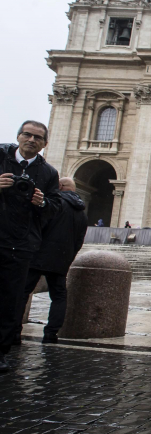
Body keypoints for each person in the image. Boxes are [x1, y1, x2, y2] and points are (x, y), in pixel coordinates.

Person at [0, 121, 61, 372]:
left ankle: (1, 351)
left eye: (38, 137)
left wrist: (43, 202)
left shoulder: (48, 173)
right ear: (18, 136)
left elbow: (55, 207)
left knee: (11, 300)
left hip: (21, 244)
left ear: (45, 143)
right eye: (27, 135)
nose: (31, 140)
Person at [14, 177, 88, 344]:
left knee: (23, 292)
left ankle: (14, 331)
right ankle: (51, 334)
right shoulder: (82, 213)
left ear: (59, 186)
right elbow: (79, 241)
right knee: (59, 296)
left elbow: (38, 227)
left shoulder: (53, 203)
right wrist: (69, 257)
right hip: (62, 258)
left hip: (38, 255)